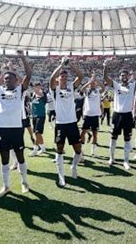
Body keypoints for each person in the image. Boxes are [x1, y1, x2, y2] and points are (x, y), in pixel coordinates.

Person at [0, 50, 32, 196]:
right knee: (4, 158)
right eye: (5, 79)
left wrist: (22, 57)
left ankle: (24, 182)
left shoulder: (20, 90)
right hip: (3, 130)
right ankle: (6, 186)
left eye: (9, 79)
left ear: (15, 80)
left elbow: (28, 75)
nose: (6, 80)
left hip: (17, 129)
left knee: (20, 156)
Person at [103, 57, 136, 170]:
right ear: (120, 77)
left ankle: (126, 161)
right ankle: (111, 158)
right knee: (113, 138)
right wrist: (105, 67)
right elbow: (105, 78)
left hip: (127, 115)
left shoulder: (132, 86)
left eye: (125, 75)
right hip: (116, 115)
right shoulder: (116, 85)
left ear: (128, 77)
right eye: (122, 75)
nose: (124, 77)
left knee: (127, 139)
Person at [49, 57, 84, 186]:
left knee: (78, 150)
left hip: (72, 123)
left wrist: (70, 64)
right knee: (59, 149)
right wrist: (60, 66)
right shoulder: (55, 90)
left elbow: (80, 76)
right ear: (58, 78)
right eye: (61, 76)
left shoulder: (70, 87)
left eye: (65, 76)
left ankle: (74, 167)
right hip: (60, 124)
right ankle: (61, 176)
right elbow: (51, 80)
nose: (63, 77)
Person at [80, 72, 105, 156]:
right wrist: (90, 81)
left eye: (94, 83)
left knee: (95, 133)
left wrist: (96, 79)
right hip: (87, 115)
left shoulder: (98, 91)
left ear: (96, 84)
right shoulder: (87, 91)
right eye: (91, 83)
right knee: (83, 132)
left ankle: (93, 150)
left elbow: (103, 88)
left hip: (95, 115)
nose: (92, 84)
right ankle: (82, 149)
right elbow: (82, 89)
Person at [30, 82, 48, 156]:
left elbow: (42, 96)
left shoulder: (42, 94)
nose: (34, 88)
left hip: (41, 116)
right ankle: (43, 148)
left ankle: (35, 149)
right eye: (33, 87)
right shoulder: (33, 94)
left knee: (38, 132)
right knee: (37, 133)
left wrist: (38, 91)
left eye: (35, 87)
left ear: (39, 87)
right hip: (34, 116)